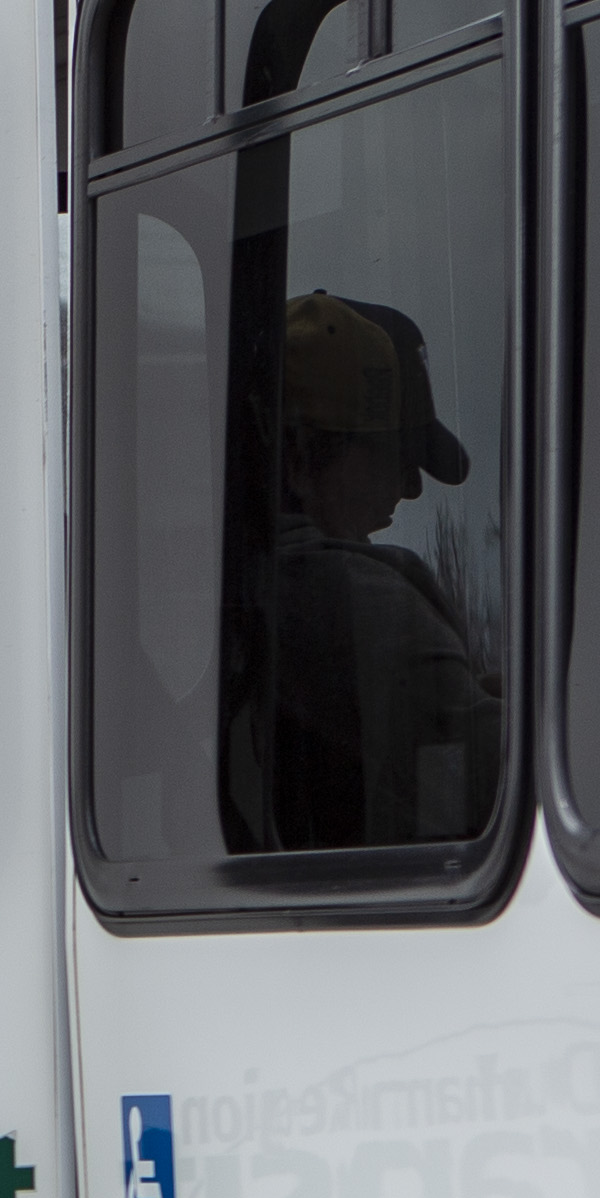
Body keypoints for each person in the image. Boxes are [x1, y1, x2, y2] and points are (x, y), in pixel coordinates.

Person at [241, 288, 498, 853]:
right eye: (390, 453)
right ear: (302, 459)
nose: (409, 488)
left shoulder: (255, 589)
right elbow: (494, 775)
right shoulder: (352, 600)